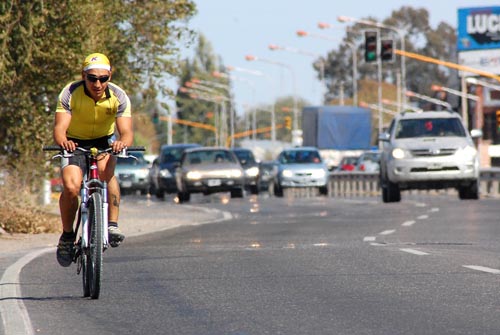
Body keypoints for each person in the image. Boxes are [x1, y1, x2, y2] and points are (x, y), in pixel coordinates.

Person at [53, 53, 134, 267]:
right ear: (84, 76)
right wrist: (64, 142)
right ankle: (68, 236)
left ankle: (112, 224)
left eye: (103, 78)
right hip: (74, 143)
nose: (97, 84)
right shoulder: (70, 92)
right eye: (92, 78)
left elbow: (126, 132)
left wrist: (121, 143)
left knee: (107, 174)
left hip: (104, 141)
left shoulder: (119, 95)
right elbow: (60, 128)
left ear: (109, 76)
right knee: (71, 187)